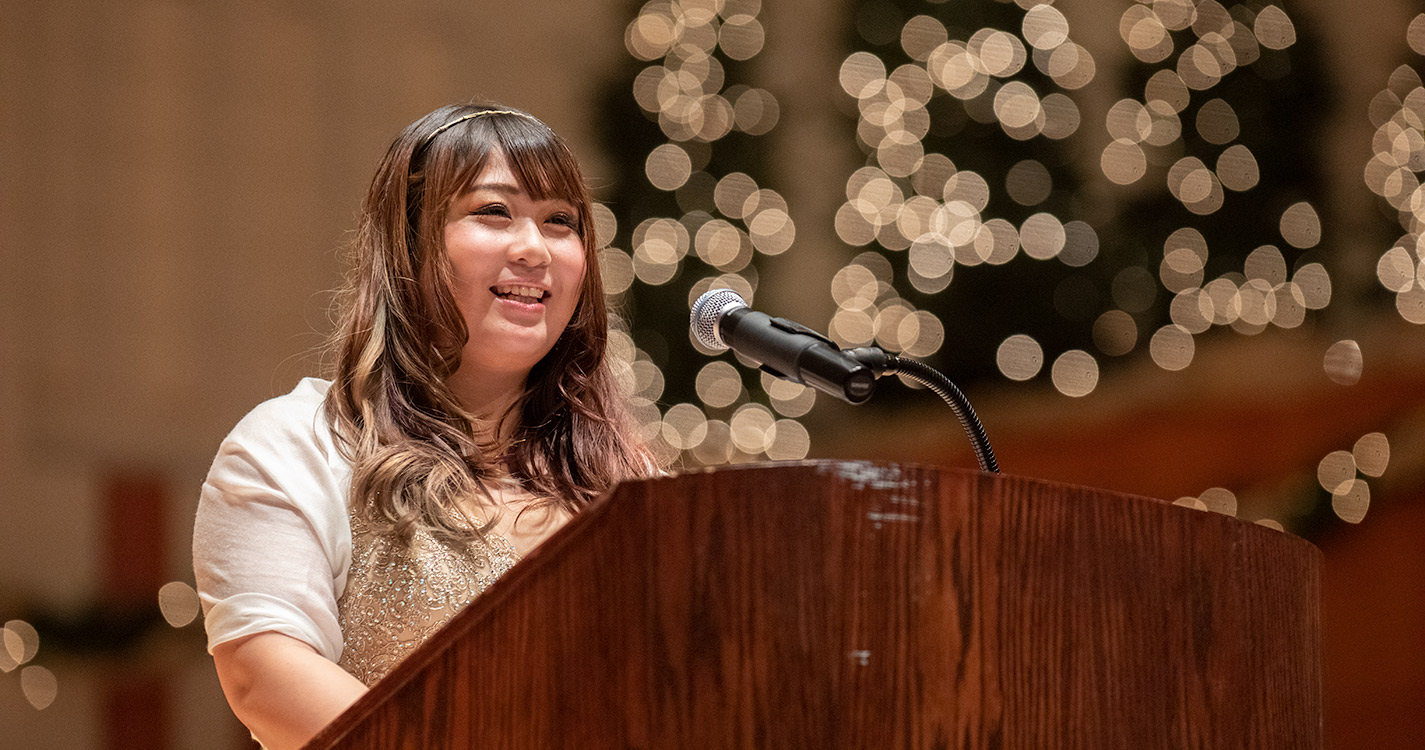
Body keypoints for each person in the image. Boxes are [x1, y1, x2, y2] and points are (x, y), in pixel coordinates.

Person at [192, 103, 654, 749]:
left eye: (561, 222)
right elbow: (265, 680)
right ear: (408, 243)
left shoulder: (627, 480)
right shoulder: (298, 443)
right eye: (493, 212)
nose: (533, 248)